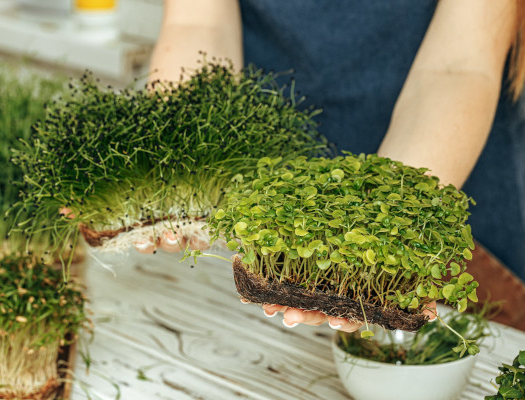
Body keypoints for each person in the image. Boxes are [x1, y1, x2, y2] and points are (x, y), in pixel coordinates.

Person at [135, 0, 525, 330]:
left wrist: (384, 234)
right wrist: (188, 160)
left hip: (442, 159)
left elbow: (458, 66)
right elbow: (198, 22)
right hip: (267, 192)